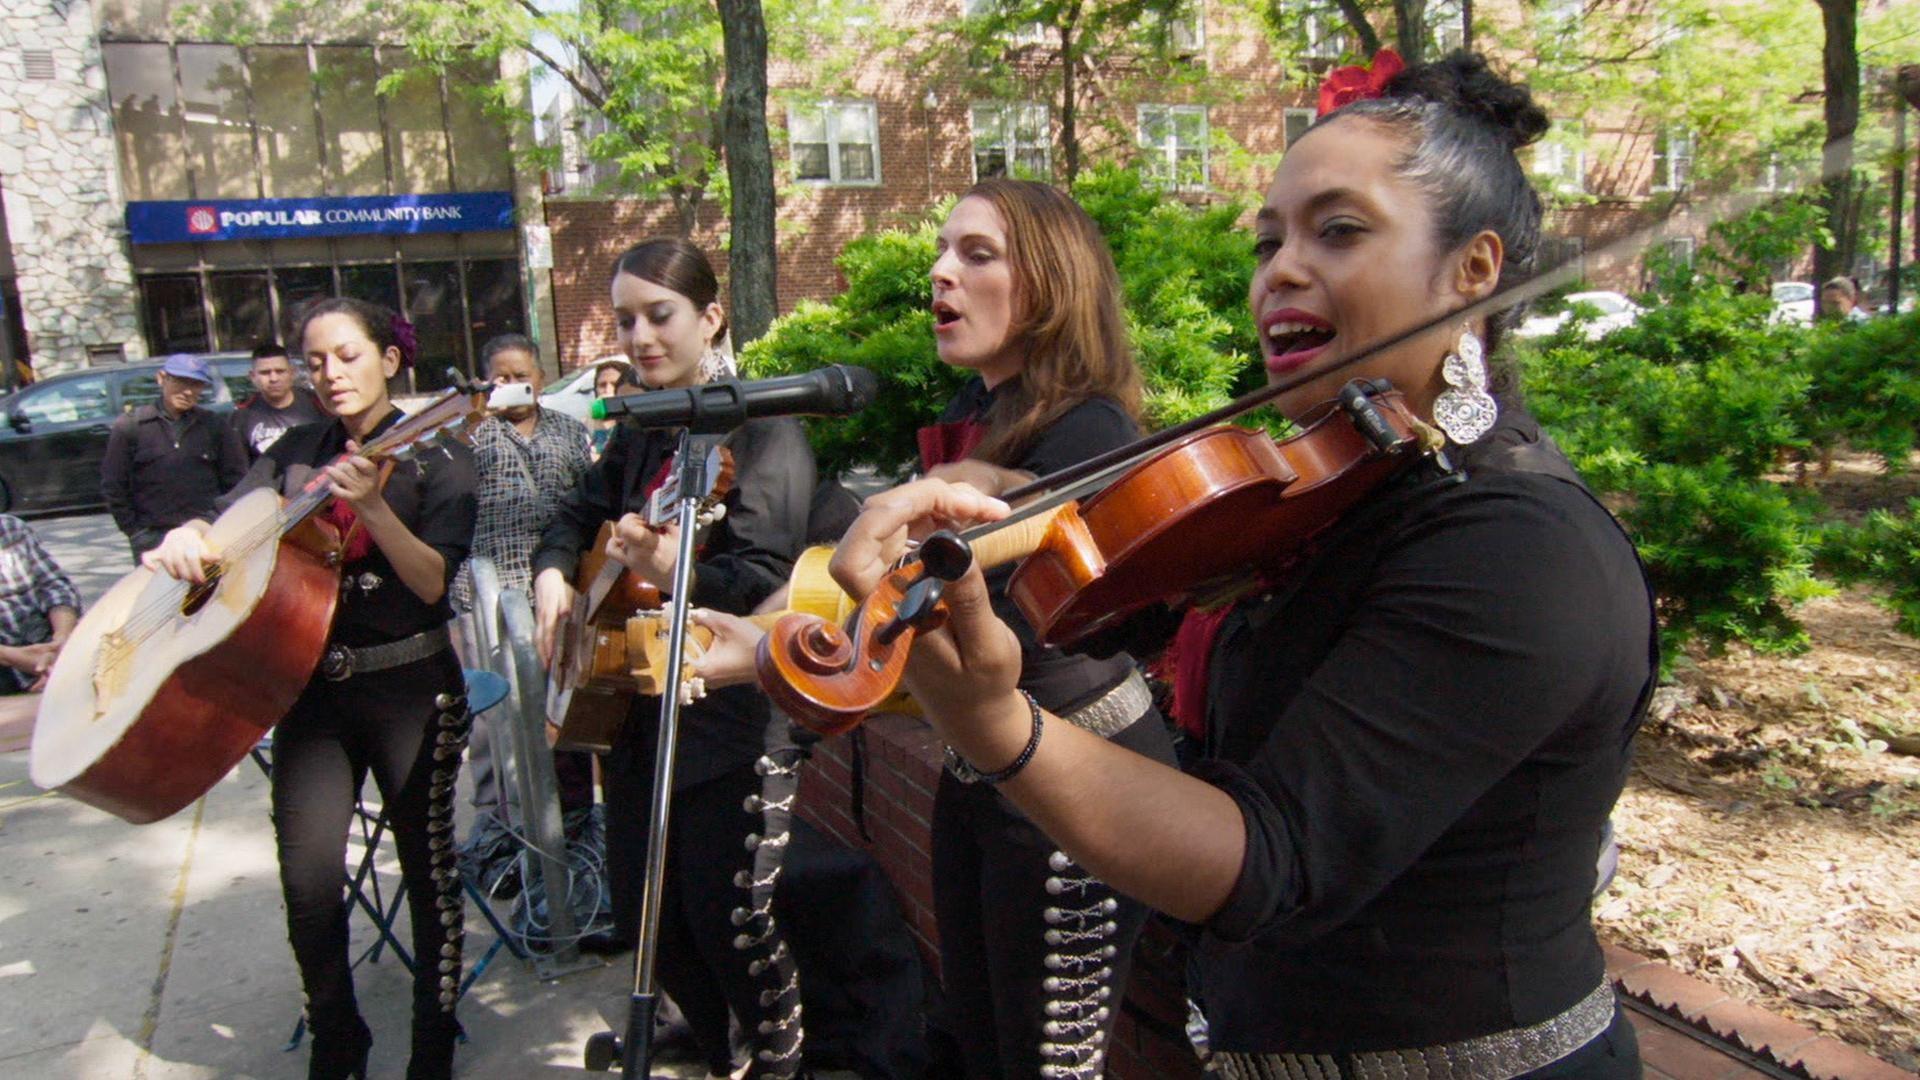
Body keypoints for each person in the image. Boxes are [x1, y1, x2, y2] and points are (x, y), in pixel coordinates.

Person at [804, 53, 1655, 1078]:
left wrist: (992, 721)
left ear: (1472, 272)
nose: (1279, 271)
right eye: (1268, 241)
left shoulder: (1519, 548)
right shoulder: (1346, 496)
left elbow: (1269, 860)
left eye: (1338, 231)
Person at [691, 178, 1178, 1079]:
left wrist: (767, 651)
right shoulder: (983, 419)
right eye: (941, 251)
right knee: (971, 1043)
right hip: (984, 766)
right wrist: (764, 635)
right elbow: (901, 594)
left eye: (976, 254)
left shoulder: (1089, 429)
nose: (940, 272)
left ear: (1053, 281)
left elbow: (963, 616)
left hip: (1081, 778)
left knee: (1040, 1062)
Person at [143, 297, 478, 1080]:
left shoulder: (442, 456)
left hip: (411, 687)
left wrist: (372, 510)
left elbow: (433, 583)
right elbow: (230, 523)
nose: (329, 373)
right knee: (307, 884)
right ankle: (338, 1036)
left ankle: (433, 1046)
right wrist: (191, 534)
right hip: (311, 694)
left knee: (429, 877)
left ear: (391, 360)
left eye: (348, 355)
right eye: (316, 359)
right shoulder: (297, 448)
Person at [531, 239, 816, 1079]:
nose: (641, 335)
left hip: (725, 714)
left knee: (729, 919)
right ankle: (707, 1031)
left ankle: (775, 1059)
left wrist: (668, 569)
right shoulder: (645, 432)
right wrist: (553, 575)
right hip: (634, 709)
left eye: (661, 314)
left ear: (711, 317)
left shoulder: (766, 431)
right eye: (626, 319)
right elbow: (571, 515)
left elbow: (768, 579)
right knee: (645, 913)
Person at [452, 333, 595, 853]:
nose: (512, 386)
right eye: (501, 377)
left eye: (521, 375)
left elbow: (587, 498)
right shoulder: (470, 434)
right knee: (496, 714)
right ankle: (499, 822)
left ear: (539, 377)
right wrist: (467, 419)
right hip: (489, 590)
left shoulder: (567, 430)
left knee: (564, 704)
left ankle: (572, 819)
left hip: (557, 589)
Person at [101, 353, 248, 560]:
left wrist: (218, 523)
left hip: (206, 533)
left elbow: (236, 481)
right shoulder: (131, 426)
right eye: (180, 381)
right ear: (161, 378)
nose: (188, 391)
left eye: (196, 384)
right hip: (154, 537)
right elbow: (114, 485)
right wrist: (136, 533)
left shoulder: (214, 426)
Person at [0, 513, 81, 694]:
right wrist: (12, 656)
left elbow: (55, 585)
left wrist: (61, 639)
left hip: (45, 642)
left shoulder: (10, 528)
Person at [232, 340, 326, 459]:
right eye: (265, 373)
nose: (273, 378)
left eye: (280, 371)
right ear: (252, 377)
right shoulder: (242, 415)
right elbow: (239, 466)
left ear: (292, 373)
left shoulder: (319, 403)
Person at [590, 355, 641, 458]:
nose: (607, 390)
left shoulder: (634, 427)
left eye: (614, 384)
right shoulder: (587, 424)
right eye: (602, 385)